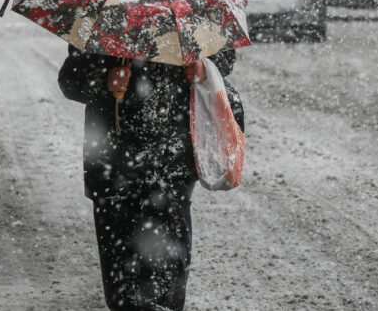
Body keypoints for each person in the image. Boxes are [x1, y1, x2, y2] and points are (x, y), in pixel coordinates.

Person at [58, 49, 243, 311]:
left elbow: (225, 57)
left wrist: (204, 68)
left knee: (169, 256)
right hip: (113, 161)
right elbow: (69, 79)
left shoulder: (189, 13)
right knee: (120, 262)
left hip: (172, 157)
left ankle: (166, 304)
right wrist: (103, 80)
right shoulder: (104, 19)